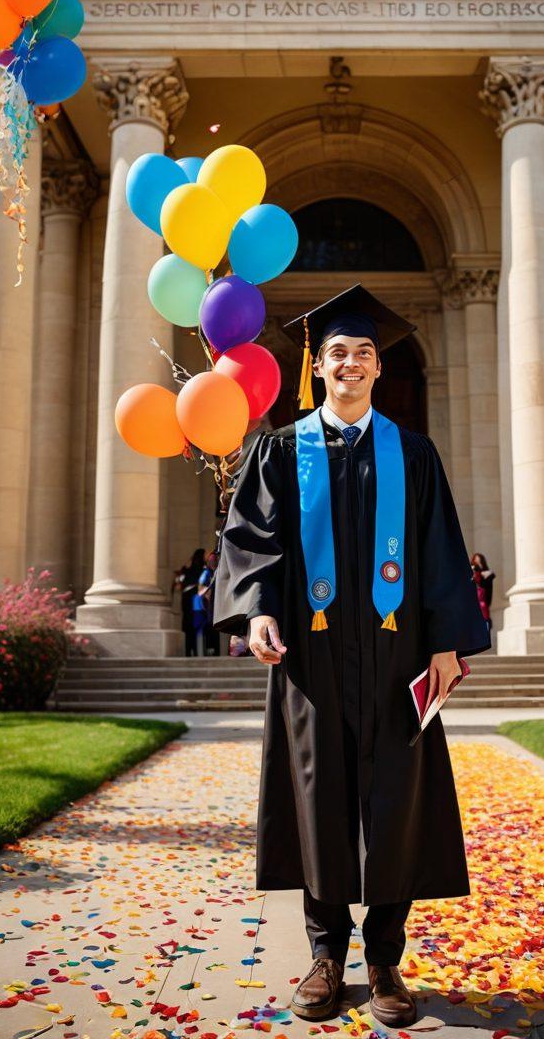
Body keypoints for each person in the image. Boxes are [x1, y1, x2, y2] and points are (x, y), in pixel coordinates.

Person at [213, 284, 490, 1027]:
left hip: (401, 659)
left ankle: (385, 957)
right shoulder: (278, 452)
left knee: (397, 801)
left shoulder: (415, 455)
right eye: (338, 352)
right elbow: (249, 545)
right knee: (319, 795)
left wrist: (446, 645)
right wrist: (258, 610)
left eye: (364, 352)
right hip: (313, 657)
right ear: (318, 367)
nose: (352, 364)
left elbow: (439, 555)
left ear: (377, 366)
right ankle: (326, 954)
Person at [180, 548, 205, 657]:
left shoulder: (188, 569)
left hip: (188, 601)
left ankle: (189, 652)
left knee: (188, 627)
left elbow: (181, 578)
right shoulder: (200, 569)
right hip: (194, 602)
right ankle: (195, 652)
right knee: (194, 627)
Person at [198, 550, 220, 656]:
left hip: (219, 604)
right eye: (211, 559)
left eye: (214, 559)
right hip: (209, 605)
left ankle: (217, 649)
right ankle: (210, 648)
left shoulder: (219, 571)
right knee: (210, 625)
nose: (213, 561)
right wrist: (208, 594)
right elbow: (200, 590)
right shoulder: (206, 573)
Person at [470, 553, 495, 631]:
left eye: (480, 562)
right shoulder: (471, 577)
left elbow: (490, 576)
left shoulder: (487, 575)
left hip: (483, 604)